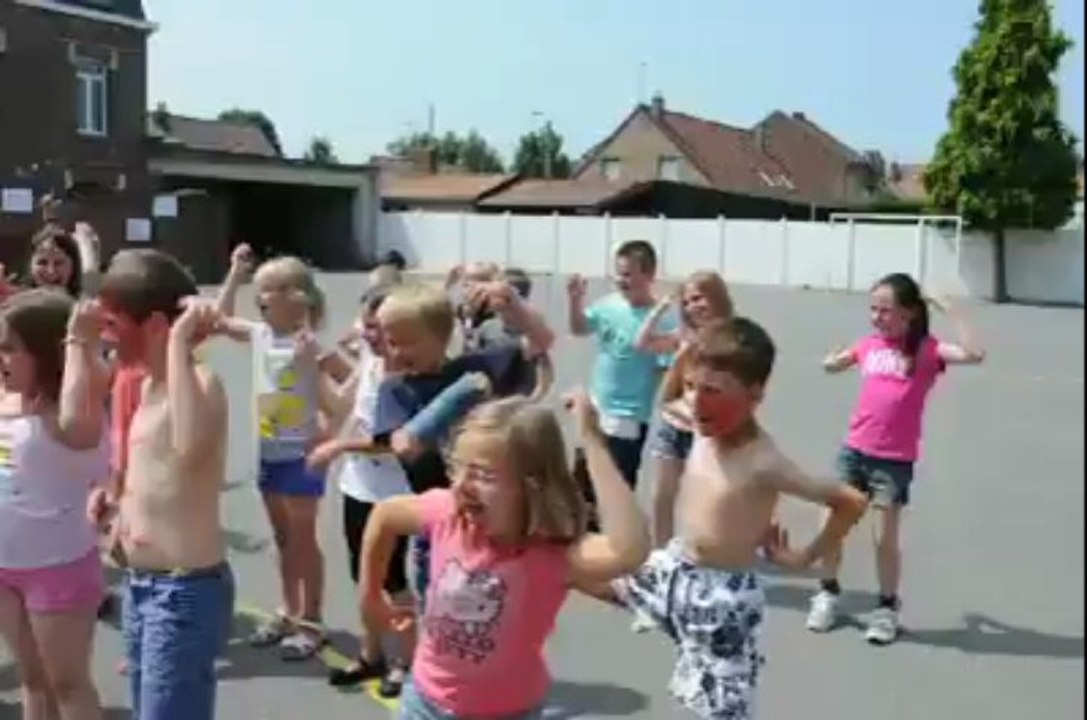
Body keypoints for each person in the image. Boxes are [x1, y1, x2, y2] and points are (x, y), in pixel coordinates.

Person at [580, 319, 868, 720]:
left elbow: (850, 501)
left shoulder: (763, 462)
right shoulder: (704, 423)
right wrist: (687, 353)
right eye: (694, 387)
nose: (697, 402)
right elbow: (668, 402)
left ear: (755, 396)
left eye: (712, 391)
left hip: (721, 602)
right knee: (562, 562)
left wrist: (804, 557)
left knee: (725, 714)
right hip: (674, 567)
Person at [360, 393, 651, 719]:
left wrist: (593, 442)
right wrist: (371, 597)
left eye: (483, 475)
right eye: (458, 468)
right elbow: (385, 516)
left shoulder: (553, 552)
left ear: (531, 487)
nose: (462, 486)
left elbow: (629, 550)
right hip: (425, 702)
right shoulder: (447, 514)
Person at [88, 249, 234, 720]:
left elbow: (188, 447)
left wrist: (177, 343)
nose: (106, 335)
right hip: (142, 585)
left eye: (113, 323)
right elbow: (157, 474)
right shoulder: (146, 384)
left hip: (183, 592)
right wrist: (116, 504)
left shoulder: (200, 381)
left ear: (152, 324)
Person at [805, 272, 985, 645]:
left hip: (893, 461)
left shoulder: (926, 351)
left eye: (885, 310)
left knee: (883, 538)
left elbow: (973, 354)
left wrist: (952, 310)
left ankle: (886, 608)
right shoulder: (868, 346)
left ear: (908, 314)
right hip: (853, 452)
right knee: (830, 527)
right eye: (873, 309)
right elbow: (834, 363)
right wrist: (830, 361)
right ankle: (827, 592)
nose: (877, 317)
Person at [217, 255, 338, 660]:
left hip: (302, 457)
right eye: (261, 288)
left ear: (298, 298)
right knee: (283, 539)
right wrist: (235, 274)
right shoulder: (260, 335)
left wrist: (328, 429)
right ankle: (287, 611)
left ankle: (312, 619)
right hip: (269, 452)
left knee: (304, 541)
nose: (262, 297)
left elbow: (354, 386)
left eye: (272, 289)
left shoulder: (312, 345)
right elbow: (220, 319)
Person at [0, 290, 110, 720]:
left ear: (46, 354)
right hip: (5, 566)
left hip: (57, 567)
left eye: (11, 349)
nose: (1, 359)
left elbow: (78, 425)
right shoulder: (7, 400)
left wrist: (79, 343)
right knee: (33, 680)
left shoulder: (69, 414)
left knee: (67, 684)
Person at [306, 286, 416, 696]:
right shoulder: (371, 358)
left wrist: (339, 446)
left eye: (380, 328)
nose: (370, 335)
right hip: (359, 484)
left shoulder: (410, 372)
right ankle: (372, 654)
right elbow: (348, 408)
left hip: (396, 491)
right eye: (367, 326)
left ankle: (406, 660)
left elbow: (394, 439)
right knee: (364, 575)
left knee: (393, 578)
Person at [635, 270, 735, 549]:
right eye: (688, 302)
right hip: (674, 424)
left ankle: (708, 552)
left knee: (707, 497)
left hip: (708, 431)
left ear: (716, 296)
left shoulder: (732, 337)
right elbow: (642, 343)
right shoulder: (685, 337)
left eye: (699, 298)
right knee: (661, 495)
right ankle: (660, 554)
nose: (694, 307)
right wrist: (659, 310)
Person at [567, 240, 673, 489]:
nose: (620, 280)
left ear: (648, 275)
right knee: (582, 486)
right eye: (618, 273)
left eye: (627, 274)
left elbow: (664, 372)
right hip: (595, 407)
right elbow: (580, 328)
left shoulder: (662, 319)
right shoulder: (608, 305)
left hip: (628, 416)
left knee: (617, 487)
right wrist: (575, 301)